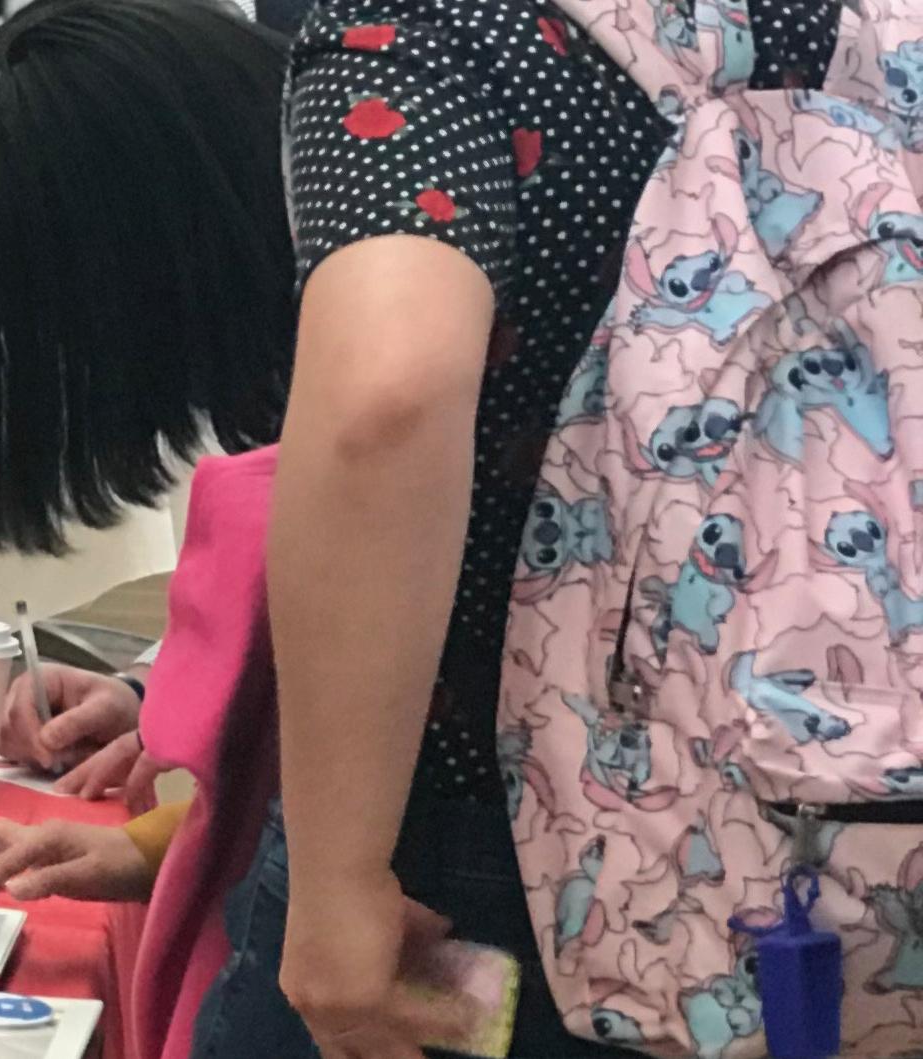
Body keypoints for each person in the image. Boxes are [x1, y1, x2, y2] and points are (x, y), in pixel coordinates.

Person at [236, 0, 837, 1055]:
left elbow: (389, 393)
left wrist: (336, 879)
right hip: (870, 848)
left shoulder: (441, 27)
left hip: (516, 867)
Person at [0, 4, 297, 1057]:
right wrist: (159, 776)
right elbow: (286, 806)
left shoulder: (365, 459)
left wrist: (188, 816)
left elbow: (424, 956)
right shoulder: (301, 413)